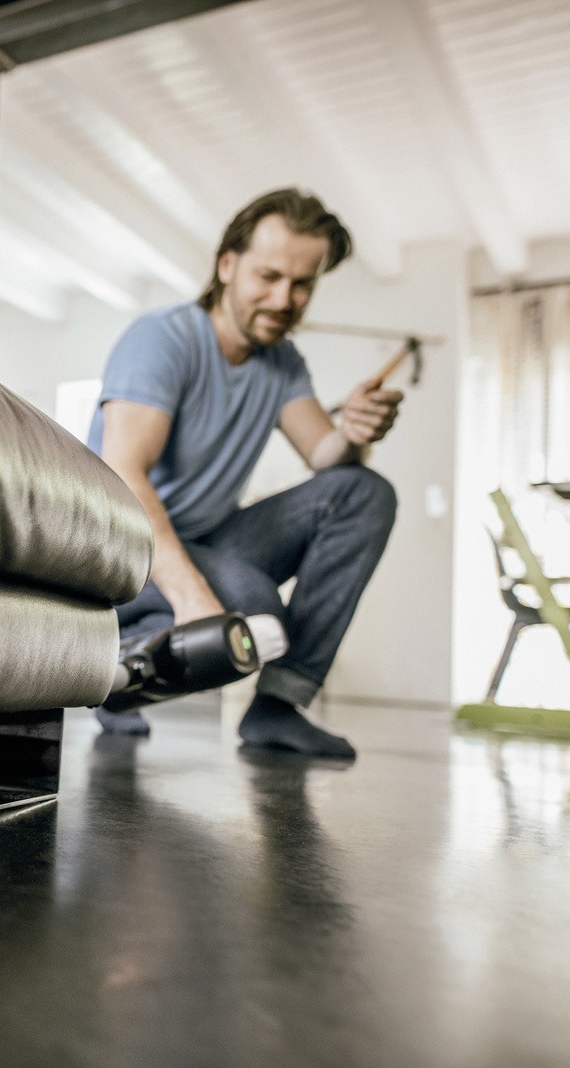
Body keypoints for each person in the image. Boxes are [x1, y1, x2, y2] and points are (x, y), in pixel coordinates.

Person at [88, 188, 401, 758]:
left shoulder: (283, 363)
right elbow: (122, 474)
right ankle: (106, 672)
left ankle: (277, 707)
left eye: (302, 284)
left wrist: (356, 433)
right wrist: (193, 599)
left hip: (206, 540)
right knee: (251, 611)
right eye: (269, 276)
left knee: (364, 492)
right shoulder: (163, 339)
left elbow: (327, 457)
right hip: (115, 548)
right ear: (227, 265)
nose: (284, 299)